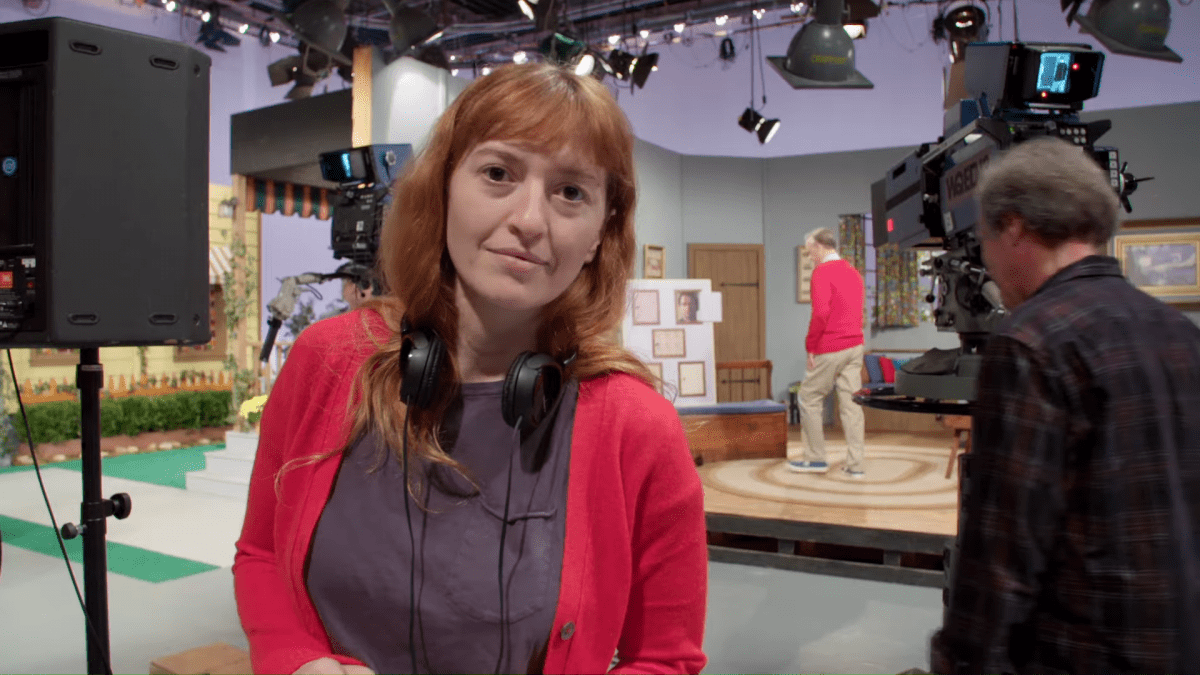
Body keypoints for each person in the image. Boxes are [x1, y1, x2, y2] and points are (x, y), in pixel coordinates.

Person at [232, 63, 709, 675]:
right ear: (443, 188)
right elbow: (262, 553)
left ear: (599, 233)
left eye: (571, 192)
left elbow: (665, 660)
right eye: (498, 173)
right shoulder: (328, 360)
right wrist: (295, 661)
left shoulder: (638, 425)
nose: (530, 221)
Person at [930, 137, 1200, 674]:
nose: (987, 261)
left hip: (1080, 653)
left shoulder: (1032, 342)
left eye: (984, 239)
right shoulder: (1181, 334)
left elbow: (1002, 554)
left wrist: (961, 661)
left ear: (1013, 228)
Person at [788, 228, 866, 476]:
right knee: (852, 405)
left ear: (820, 246)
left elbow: (821, 313)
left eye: (810, 251)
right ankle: (856, 466)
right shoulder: (853, 272)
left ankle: (815, 458)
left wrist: (811, 346)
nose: (810, 256)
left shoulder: (822, 272)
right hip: (855, 346)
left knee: (809, 397)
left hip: (832, 345)